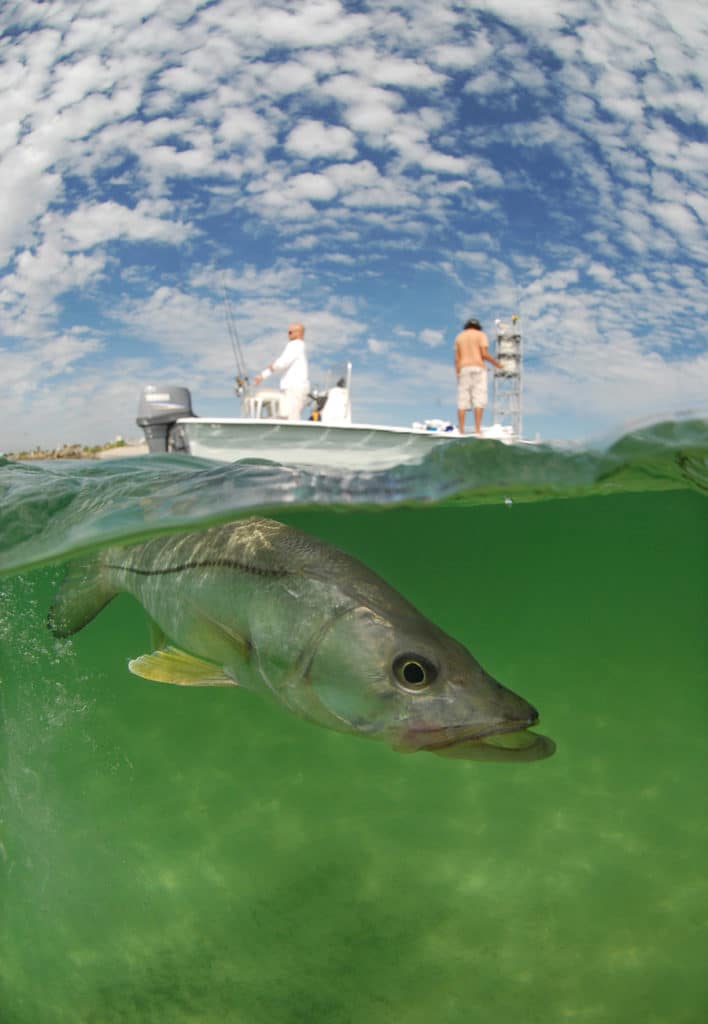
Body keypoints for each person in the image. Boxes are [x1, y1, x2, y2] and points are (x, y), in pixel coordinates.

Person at [454, 317, 502, 435]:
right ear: (478, 326)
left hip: (463, 368)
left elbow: (457, 359)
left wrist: (458, 375)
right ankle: (477, 429)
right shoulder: (481, 335)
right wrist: (497, 364)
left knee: (462, 400)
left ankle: (461, 430)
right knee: (479, 399)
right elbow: (484, 354)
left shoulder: (459, 337)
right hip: (478, 367)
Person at [254, 322, 310, 421]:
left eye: (290, 332)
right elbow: (283, 363)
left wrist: (270, 368)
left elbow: (282, 363)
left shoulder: (295, 344)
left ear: (299, 333)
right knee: (288, 416)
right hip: (294, 388)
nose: (288, 334)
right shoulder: (299, 346)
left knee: (291, 418)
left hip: (295, 388)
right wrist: (263, 375)